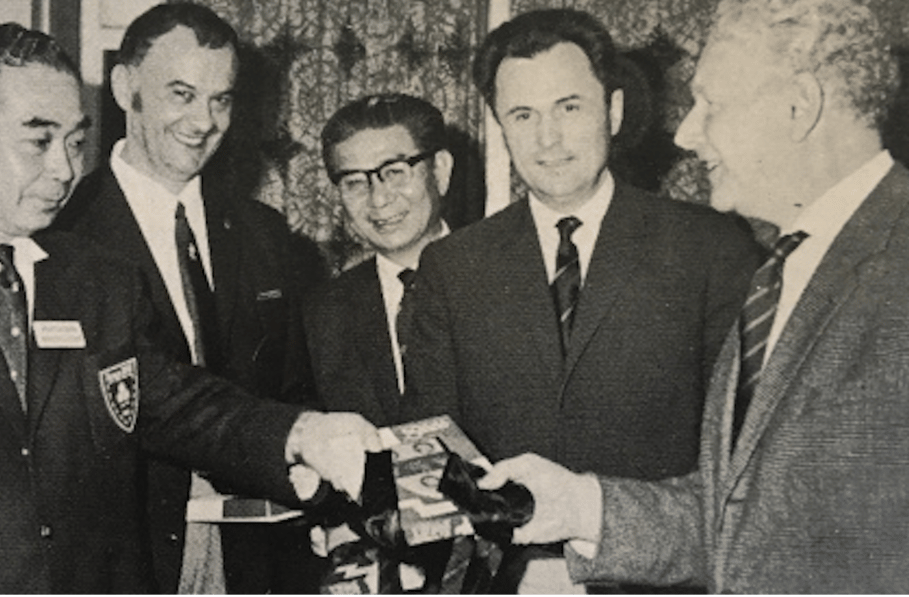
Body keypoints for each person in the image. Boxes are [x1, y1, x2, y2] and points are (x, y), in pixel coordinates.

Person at [0, 21, 379, 594]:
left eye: (74, 142)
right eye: (37, 142)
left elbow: (177, 402)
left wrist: (302, 432)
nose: (64, 170)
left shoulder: (96, 282)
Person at [479, 0, 909, 593]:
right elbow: (737, 518)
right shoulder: (783, 273)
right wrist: (581, 506)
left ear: (800, 105)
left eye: (713, 105)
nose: (686, 132)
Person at [399, 8, 763, 593]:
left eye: (569, 108)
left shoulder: (711, 247)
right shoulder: (453, 266)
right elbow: (431, 454)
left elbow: (745, 463)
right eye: (523, 115)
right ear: (500, 126)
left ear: (613, 111)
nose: (548, 139)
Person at [53, 3, 324, 593]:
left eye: (220, 99)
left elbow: (294, 388)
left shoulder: (264, 234)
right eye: (181, 93)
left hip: (256, 558)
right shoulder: (62, 236)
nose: (202, 120)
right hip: (124, 562)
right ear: (126, 87)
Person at [305, 93, 452, 425]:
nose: (379, 198)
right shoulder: (323, 314)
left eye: (395, 172)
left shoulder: (506, 282)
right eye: (354, 182)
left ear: (440, 171)